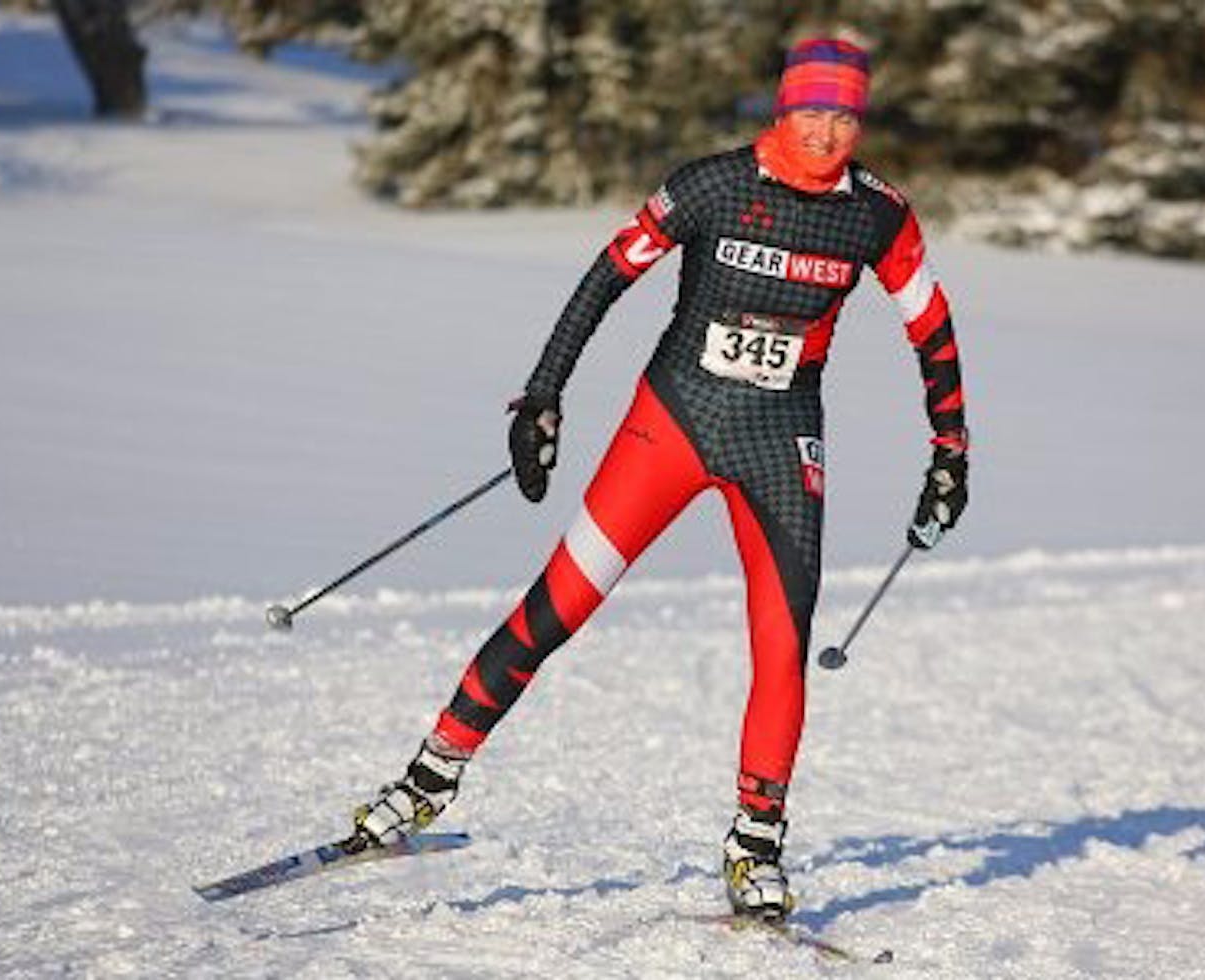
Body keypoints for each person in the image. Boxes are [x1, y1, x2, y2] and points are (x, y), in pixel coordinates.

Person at [352, 37, 970, 920]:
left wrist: (952, 450)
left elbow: (931, 326)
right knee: (556, 607)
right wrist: (543, 397)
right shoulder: (711, 185)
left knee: (783, 644)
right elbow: (605, 279)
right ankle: (426, 780)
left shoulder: (876, 214)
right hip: (670, 425)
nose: (829, 133)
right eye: (812, 113)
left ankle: (756, 845)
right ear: (782, 110)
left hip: (780, 440)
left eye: (844, 117)